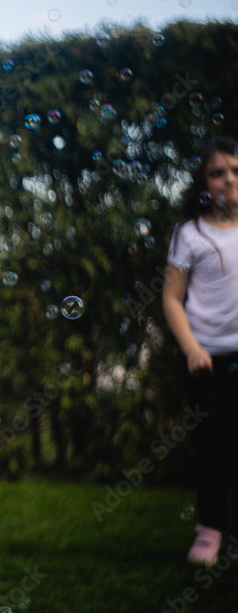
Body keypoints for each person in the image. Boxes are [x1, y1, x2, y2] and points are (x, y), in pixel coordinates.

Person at [163, 136, 238, 566]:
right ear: (203, 183)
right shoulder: (190, 233)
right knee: (212, 447)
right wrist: (191, 348)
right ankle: (210, 531)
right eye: (217, 172)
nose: (228, 179)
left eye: (235, 171)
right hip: (207, 359)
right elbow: (172, 297)